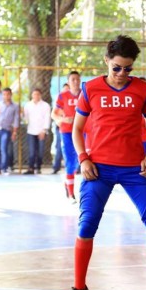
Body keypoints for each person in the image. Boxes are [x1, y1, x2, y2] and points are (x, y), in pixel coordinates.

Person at [63, 35, 146, 290]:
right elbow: (76, 129)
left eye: (127, 69)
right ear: (107, 60)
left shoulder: (143, 89)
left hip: (134, 168)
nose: (121, 74)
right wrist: (83, 159)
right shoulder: (90, 88)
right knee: (87, 225)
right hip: (99, 169)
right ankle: (78, 287)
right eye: (116, 67)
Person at [52, 71, 82, 201]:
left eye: (77, 79)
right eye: (73, 79)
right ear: (69, 82)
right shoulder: (63, 96)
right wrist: (64, 120)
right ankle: (71, 194)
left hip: (83, 131)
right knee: (70, 161)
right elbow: (54, 114)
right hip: (67, 132)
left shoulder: (85, 94)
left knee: (79, 161)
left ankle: (68, 182)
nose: (75, 81)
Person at [23, 88, 51, 174]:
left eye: (38, 94)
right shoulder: (27, 105)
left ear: (40, 95)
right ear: (32, 95)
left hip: (41, 131)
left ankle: (38, 167)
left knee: (40, 151)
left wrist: (44, 130)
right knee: (31, 151)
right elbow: (25, 119)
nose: (36, 96)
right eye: (34, 94)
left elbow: (47, 118)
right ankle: (30, 167)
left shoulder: (45, 105)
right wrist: (22, 116)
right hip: (31, 131)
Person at [0, 87, 19, 175]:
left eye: (8, 94)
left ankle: (4, 168)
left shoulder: (15, 106)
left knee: (3, 148)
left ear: (11, 95)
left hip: (6, 129)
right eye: (4, 94)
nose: (6, 96)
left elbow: (16, 120)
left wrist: (14, 132)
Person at [52, 83, 69, 174]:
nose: (66, 91)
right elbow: (54, 114)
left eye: (68, 89)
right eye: (64, 89)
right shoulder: (59, 100)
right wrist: (61, 119)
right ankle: (56, 167)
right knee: (59, 147)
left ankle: (73, 168)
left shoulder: (73, 101)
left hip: (71, 128)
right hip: (60, 127)